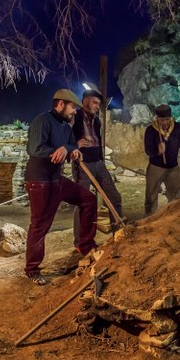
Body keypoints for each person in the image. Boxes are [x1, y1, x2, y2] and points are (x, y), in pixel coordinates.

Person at [23, 89, 98, 285]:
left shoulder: (65, 126)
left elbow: (73, 144)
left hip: (57, 180)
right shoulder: (43, 121)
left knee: (88, 199)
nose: (75, 111)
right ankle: (32, 269)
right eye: (73, 107)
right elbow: (35, 148)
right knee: (40, 225)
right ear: (61, 103)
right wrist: (61, 150)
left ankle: (86, 246)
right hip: (40, 181)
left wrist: (69, 149)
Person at [71, 82, 123, 242]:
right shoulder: (75, 117)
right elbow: (63, 138)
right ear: (85, 101)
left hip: (98, 164)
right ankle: (80, 240)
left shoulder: (96, 120)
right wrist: (74, 145)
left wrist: (100, 158)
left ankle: (119, 233)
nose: (97, 106)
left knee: (114, 197)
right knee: (83, 202)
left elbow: (97, 139)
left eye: (98, 104)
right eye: (94, 102)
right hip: (83, 165)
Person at [143, 104, 180, 214]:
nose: (164, 122)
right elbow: (148, 151)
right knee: (151, 195)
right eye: (162, 120)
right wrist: (157, 150)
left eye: (167, 119)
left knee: (175, 195)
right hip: (155, 167)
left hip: (173, 167)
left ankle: (175, 217)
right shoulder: (151, 130)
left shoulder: (178, 128)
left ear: (171, 118)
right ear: (157, 118)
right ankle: (149, 217)